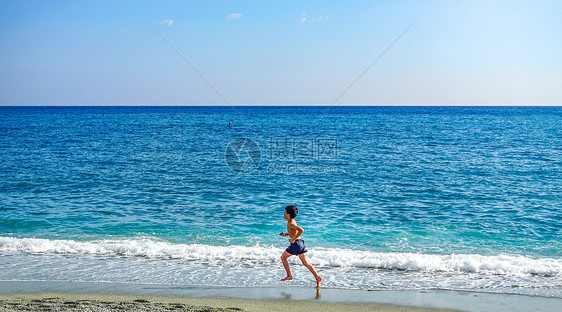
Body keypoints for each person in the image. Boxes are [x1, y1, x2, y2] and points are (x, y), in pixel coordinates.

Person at [279, 205, 322, 288]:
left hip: (296, 244)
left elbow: (301, 230)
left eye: (284, 212)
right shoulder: (291, 222)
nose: (283, 214)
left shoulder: (291, 223)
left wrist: (293, 239)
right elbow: (293, 233)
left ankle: (289, 275)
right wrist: (285, 235)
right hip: (300, 243)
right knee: (306, 263)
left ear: (288, 214)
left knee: (283, 258)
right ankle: (317, 277)